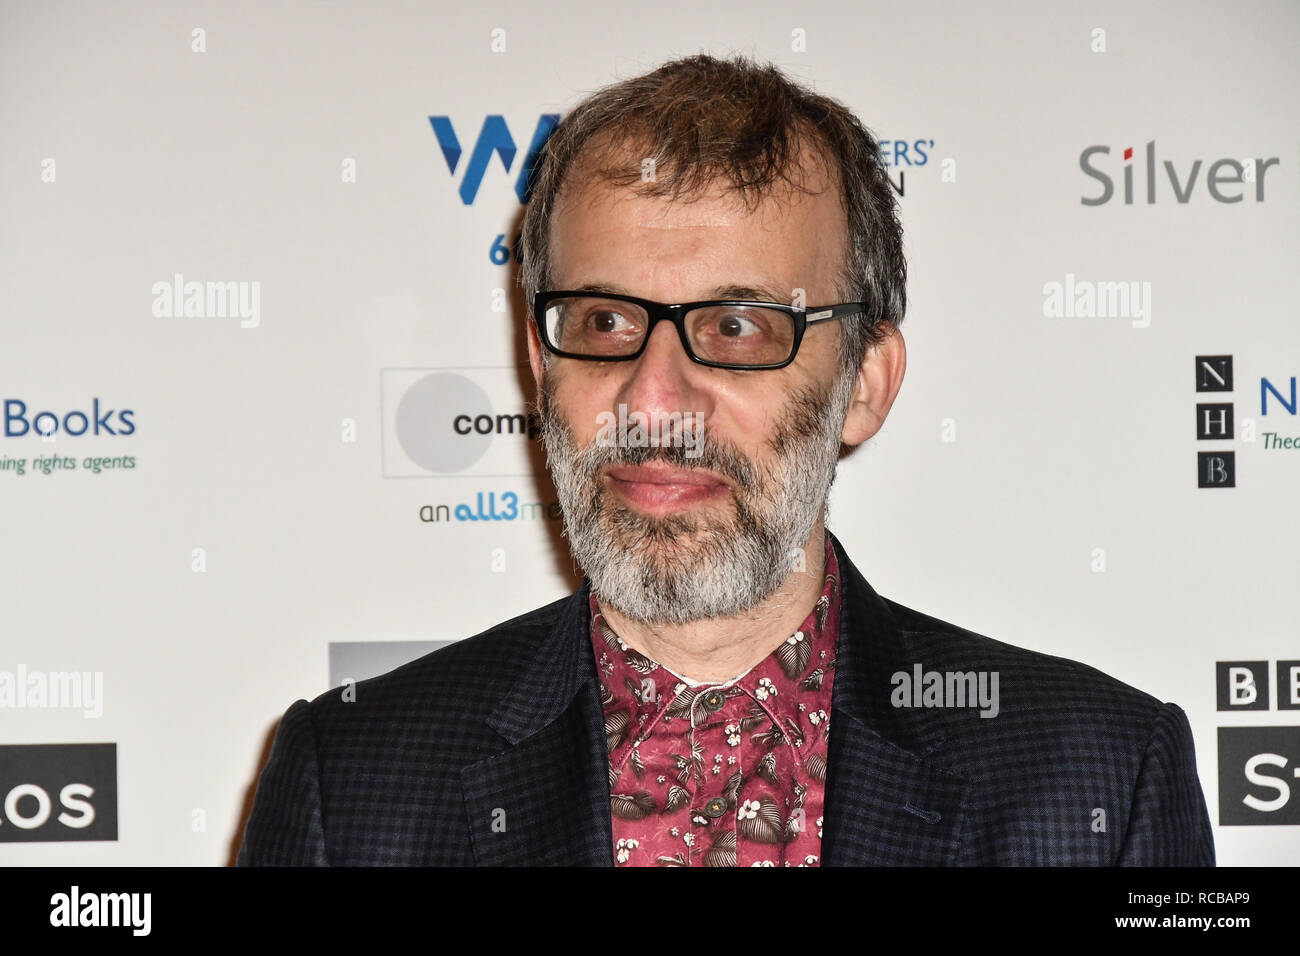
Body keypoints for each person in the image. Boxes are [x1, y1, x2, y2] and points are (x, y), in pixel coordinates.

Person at [237, 53, 1214, 866]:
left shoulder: (1094, 777)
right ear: (539, 361)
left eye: (739, 325)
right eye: (604, 319)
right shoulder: (354, 782)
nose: (653, 398)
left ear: (864, 382)